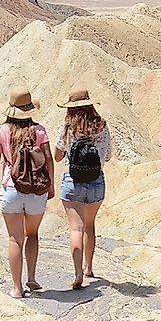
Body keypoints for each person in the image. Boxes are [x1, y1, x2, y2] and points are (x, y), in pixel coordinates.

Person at [0, 87, 54, 298]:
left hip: (11, 188)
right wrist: (50, 186)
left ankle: (16, 288)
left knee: (15, 239)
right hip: (36, 190)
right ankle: (31, 278)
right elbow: (49, 159)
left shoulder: (2, 131)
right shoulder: (40, 131)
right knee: (32, 234)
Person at [53, 87, 112, 289]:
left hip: (73, 181)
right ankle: (89, 267)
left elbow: (57, 156)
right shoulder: (101, 126)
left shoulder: (67, 128)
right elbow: (108, 155)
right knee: (90, 226)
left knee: (75, 228)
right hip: (96, 182)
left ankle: (78, 273)